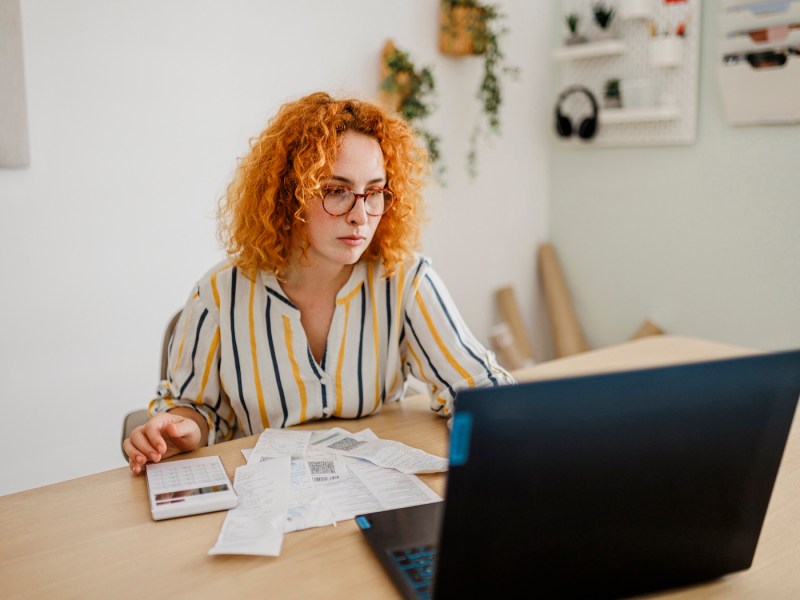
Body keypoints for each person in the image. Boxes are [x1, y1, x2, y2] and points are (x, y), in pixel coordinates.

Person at [124, 91, 516, 474]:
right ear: (289, 195)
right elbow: (196, 408)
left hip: (373, 489)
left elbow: (476, 384)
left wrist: (502, 418)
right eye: (336, 191)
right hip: (267, 501)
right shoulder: (219, 295)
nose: (361, 216)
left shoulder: (404, 279)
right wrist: (180, 428)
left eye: (375, 192)